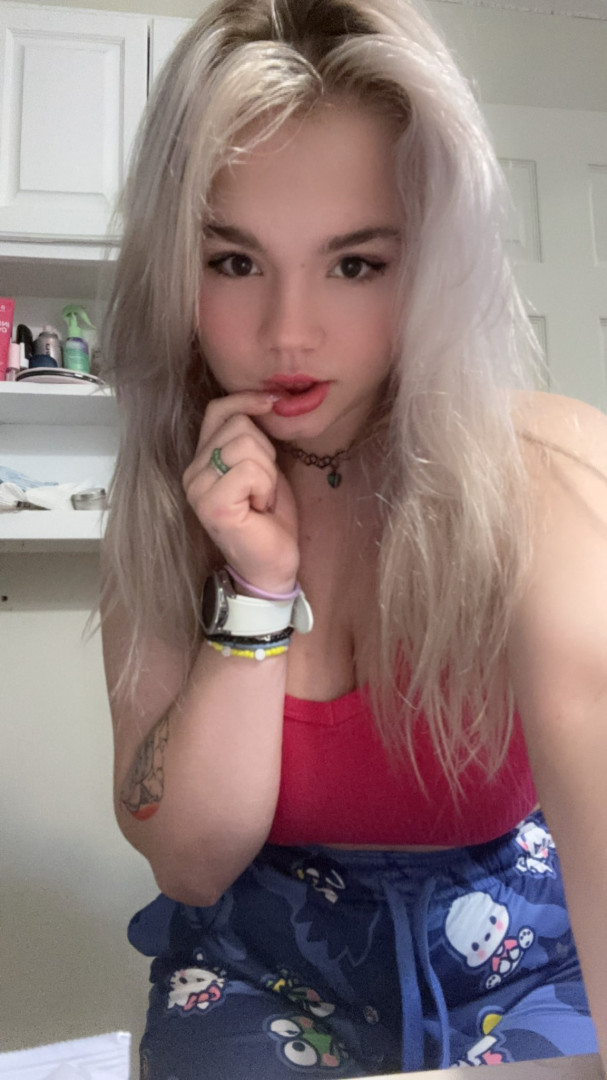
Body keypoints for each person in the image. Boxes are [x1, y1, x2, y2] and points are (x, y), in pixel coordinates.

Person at [99, 0, 607, 1075]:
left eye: (355, 264)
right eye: (234, 262)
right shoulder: (163, 504)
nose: (288, 331)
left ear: (434, 263)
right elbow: (189, 861)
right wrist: (255, 585)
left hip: (524, 958)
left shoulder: (538, 472)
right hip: (256, 969)